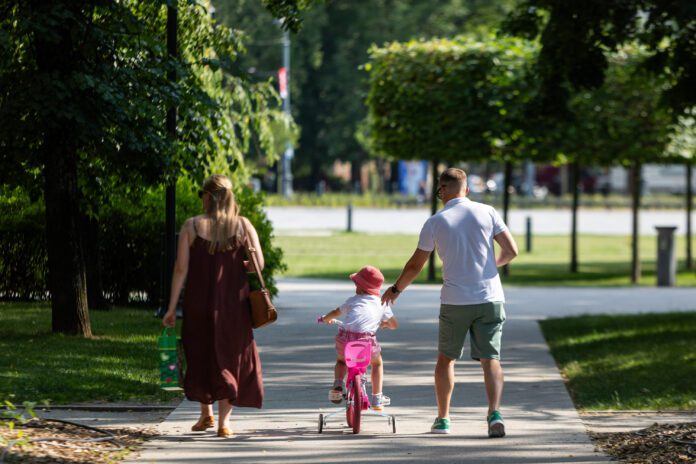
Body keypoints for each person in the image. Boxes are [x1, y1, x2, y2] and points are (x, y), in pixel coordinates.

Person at [382, 167, 518, 438]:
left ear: (442, 191)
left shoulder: (436, 221)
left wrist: (396, 289)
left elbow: (415, 265)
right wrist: (490, 267)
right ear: (466, 189)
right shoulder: (488, 212)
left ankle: (443, 420)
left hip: (455, 300)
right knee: (491, 359)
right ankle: (494, 414)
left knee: (445, 360)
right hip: (490, 296)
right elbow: (511, 250)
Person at [163, 174, 264, 438]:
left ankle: (205, 413)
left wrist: (172, 307)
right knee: (230, 355)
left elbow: (181, 269)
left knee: (200, 351)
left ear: (208, 196)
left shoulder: (191, 226)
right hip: (233, 306)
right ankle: (222, 423)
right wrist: (235, 265)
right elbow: (258, 266)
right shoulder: (243, 226)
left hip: (198, 303)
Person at [320, 265, 399, 411]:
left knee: (341, 360)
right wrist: (385, 324)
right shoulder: (382, 302)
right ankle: (377, 397)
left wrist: (325, 318)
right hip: (366, 341)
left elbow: (336, 312)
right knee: (377, 363)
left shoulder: (352, 300)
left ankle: (338, 384)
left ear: (360, 287)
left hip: (346, 339)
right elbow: (394, 324)